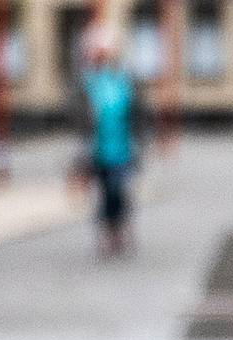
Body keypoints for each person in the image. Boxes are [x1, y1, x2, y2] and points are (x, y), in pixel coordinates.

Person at [76, 32, 140, 257]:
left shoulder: (123, 80)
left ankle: (119, 229)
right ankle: (109, 232)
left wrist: (139, 143)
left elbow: (135, 113)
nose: (100, 56)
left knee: (118, 191)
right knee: (104, 192)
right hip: (98, 149)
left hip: (123, 148)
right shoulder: (88, 82)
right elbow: (80, 119)